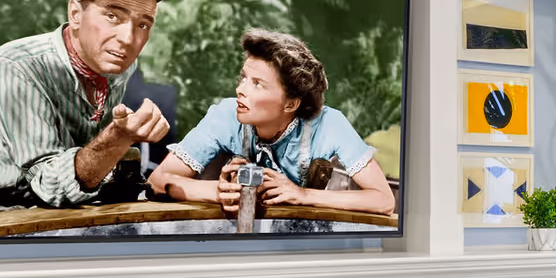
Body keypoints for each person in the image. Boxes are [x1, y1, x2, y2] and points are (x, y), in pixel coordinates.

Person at [0, 0, 172, 210]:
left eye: (143, 25)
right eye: (112, 16)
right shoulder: (17, 65)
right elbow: (47, 186)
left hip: (82, 205)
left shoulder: (119, 63)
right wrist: (119, 137)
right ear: (75, 14)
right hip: (4, 214)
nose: (128, 39)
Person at [147, 28, 395, 218]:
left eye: (258, 84)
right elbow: (158, 180)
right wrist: (217, 191)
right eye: (244, 78)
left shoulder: (330, 124)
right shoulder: (225, 114)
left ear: (290, 104)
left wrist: (302, 195)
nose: (240, 90)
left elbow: (383, 200)